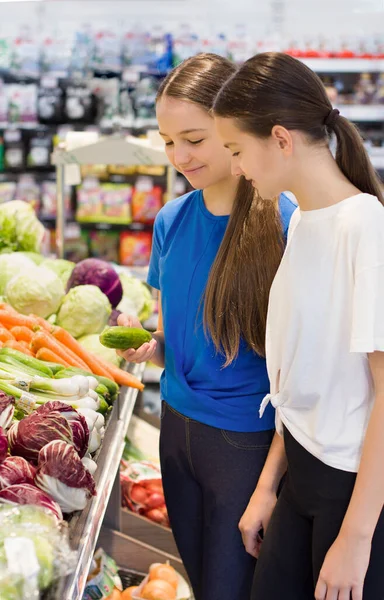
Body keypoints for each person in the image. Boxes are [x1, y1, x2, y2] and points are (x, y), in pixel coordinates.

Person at [117, 53, 296, 600]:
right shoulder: (171, 220)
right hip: (177, 430)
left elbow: (302, 378)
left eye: (193, 138)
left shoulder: (286, 222)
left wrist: (269, 486)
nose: (179, 156)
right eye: (168, 141)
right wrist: (148, 345)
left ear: (232, 126)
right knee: (198, 578)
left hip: (245, 444)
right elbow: (176, 342)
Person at [214, 51, 384, 600]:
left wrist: (356, 539)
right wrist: (269, 487)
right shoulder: (306, 221)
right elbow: (299, 380)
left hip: (353, 495)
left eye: (238, 150)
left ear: (281, 140)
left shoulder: (366, 229)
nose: (235, 168)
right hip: (303, 480)